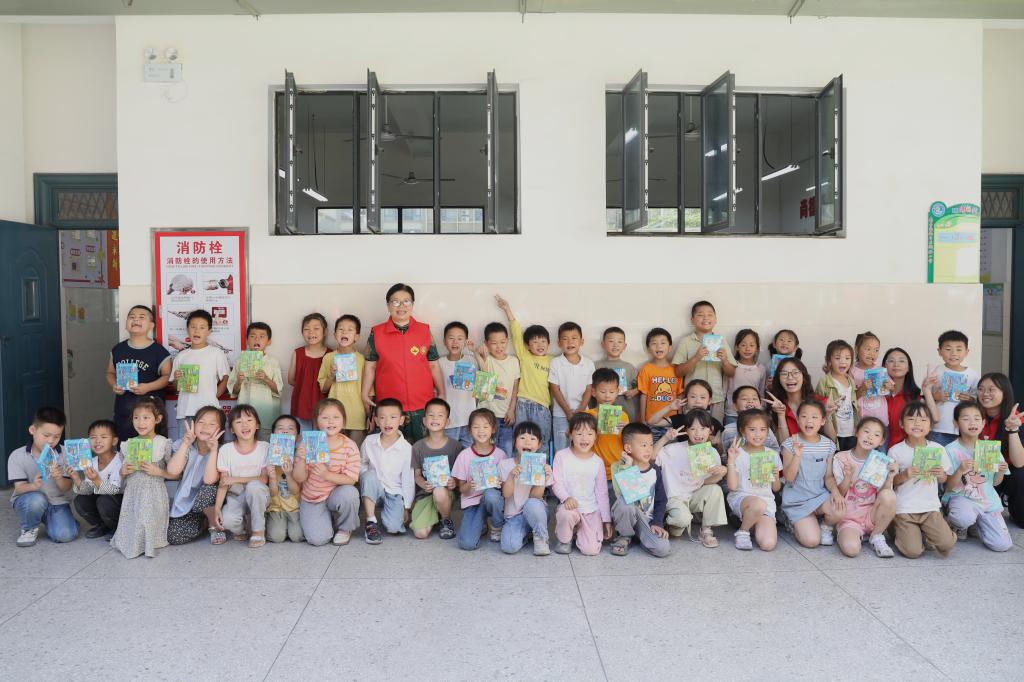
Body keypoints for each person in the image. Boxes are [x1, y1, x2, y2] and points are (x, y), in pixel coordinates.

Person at [361, 284, 446, 443]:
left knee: (422, 449)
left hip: (422, 404)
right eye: (395, 302)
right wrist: (364, 393)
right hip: (389, 407)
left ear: (412, 304)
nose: (401, 306)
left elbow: (433, 364)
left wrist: (441, 392)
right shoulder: (376, 332)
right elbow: (370, 366)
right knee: (391, 450)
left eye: (406, 301)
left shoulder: (424, 330)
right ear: (388, 305)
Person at [889, 401, 957, 559]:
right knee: (913, 552)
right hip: (904, 509)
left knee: (946, 545)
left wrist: (941, 474)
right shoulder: (895, 451)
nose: (917, 423)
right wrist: (905, 474)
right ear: (901, 424)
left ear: (931, 426)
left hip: (929, 508)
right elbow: (890, 483)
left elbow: (944, 479)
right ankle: (895, 527)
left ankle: (925, 532)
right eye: (911, 419)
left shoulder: (937, 449)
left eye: (923, 420)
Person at [942, 401, 1013, 551]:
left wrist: (1001, 470)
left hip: (987, 502)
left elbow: (995, 483)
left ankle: (977, 523)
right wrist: (960, 470)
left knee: (1002, 545)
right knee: (963, 517)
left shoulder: (990, 448)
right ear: (956, 423)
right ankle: (959, 525)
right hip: (962, 498)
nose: (972, 423)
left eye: (976, 418)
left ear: (983, 423)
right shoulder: (949, 450)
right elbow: (948, 487)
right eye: (966, 419)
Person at [292, 398, 362, 546]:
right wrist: (301, 459)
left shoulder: (349, 446)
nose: (331, 422)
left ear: (343, 420)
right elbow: (299, 478)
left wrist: (326, 475)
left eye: (336, 417)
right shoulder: (309, 443)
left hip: (335, 495)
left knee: (350, 494)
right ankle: (326, 518)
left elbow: (351, 479)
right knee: (318, 539)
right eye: (325, 417)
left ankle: (345, 528)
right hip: (312, 498)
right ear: (316, 421)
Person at [110, 397, 173, 558]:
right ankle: (134, 543)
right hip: (132, 494)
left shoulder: (163, 443)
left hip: (154, 494)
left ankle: (149, 545)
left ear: (157, 419)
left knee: (145, 519)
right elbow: (121, 475)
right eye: (136, 417)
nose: (140, 422)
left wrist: (159, 472)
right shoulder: (127, 445)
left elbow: (175, 473)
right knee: (133, 522)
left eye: (146, 417)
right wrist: (123, 472)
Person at [654, 410, 727, 547]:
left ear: (710, 430)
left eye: (703, 428)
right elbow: (650, 458)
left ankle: (706, 530)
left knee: (715, 489)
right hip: (674, 497)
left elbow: (706, 482)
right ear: (686, 430)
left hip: (693, 495)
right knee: (681, 522)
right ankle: (669, 523)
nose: (698, 433)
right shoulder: (673, 449)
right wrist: (665, 439)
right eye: (693, 429)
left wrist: (722, 472)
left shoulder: (711, 452)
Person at [7, 406, 77, 547]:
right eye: (46, 435)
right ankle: (29, 528)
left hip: (56, 502)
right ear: (32, 430)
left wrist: (59, 478)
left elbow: (67, 488)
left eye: (57, 436)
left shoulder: (65, 453)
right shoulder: (17, 455)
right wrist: (33, 485)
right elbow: (19, 488)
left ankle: (66, 521)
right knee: (36, 500)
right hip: (30, 500)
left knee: (65, 535)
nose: (51, 441)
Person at [780, 400, 844, 548]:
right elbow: (789, 478)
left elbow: (828, 477)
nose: (809, 421)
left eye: (814, 417)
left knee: (840, 508)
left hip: (819, 495)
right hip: (797, 499)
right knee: (812, 541)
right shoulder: (790, 443)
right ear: (797, 419)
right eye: (804, 416)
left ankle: (825, 526)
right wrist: (797, 455)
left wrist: (836, 493)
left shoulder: (828, 445)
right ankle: (791, 520)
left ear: (823, 421)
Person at [832, 417, 898, 558]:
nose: (870, 437)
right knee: (851, 549)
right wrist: (848, 477)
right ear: (856, 432)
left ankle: (876, 535)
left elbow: (883, 494)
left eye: (876, 435)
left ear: (881, 441)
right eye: (866, 431)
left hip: (871, 515)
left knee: (890, 495)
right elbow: (839, 494)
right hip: (849, 517)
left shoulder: (881, 461)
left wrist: (890, 476)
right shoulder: (841, 458)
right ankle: (850, 534)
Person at [495, 294, 553, 454]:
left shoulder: (553, 361)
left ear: (549, 343)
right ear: (527, 345)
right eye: (535, 341)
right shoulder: (524, 356)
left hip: (542, 407)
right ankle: (519, 468)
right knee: (520, 442)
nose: (540, 344)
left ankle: (541, 470)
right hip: (522, 405)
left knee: (541, 441)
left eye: (543, 341)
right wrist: (507, 309)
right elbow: (516, 333)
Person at [107, 304, 171, 441]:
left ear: (151, 325)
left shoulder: (159, 351)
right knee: (125, 449)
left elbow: (167, 376)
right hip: (124, 413)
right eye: (132, 317)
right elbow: (110, 373)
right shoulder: (118, 349)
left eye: (142, 317)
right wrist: (115, 385)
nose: (136, 320)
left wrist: (148, 387)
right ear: (126, 323)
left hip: (150, 416)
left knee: (153, 450)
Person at [552, 412, 612, 555]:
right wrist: (566, 498)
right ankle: (565, 539)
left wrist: (606, 520)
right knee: (566, 515)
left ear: (596, 436)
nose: (584, 438)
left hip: (591, 509)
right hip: (570, 507)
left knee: (591, 551)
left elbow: (602, 493)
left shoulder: (597, 462)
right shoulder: (561, 456)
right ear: (570, 435)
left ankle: (579, 532)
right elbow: (556, 483)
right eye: (579, 434)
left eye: (590, 434)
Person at [165, 406, 225, 544]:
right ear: (193, 424)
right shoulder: (184, 445)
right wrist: (186, 443)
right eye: (201, 422)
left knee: (208, 490)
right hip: (188, 503)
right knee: (173, 536)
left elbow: (209, 480)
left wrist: (213, 450)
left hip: (211, 501)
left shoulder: (222, 450)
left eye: (212, 424)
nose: (205, 427)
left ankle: (214, 526)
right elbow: (172, 471)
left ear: (220, 429)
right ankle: (203, 523)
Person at [609, 422, 670, 557]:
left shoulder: (655, 470)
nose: (648, 449)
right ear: (628, 448)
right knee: (624, 504)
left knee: (663, 549)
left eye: (650, 445)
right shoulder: (617, 467)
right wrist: (628, 466)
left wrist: (657, 523)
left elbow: (661, 500)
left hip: (646, 521)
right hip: (628, 516)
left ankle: (641, 537)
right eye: (643, 445)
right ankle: (624, 536)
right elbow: (626, 495)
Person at [214, 404, 270, 548]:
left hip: (259, 495)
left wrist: (235, 479)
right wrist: (217, 508)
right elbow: (223, 483)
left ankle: (258, 531)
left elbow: (264, 479)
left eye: (249, 420)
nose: (244, 425)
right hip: (236, 496)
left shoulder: (265, 447)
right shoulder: (225, 450)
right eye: (238, 422)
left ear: (257, 425)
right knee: (227, 521)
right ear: (232, 429)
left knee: (254, 487)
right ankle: (243, 527)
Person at [726, 409, 783, 551]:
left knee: (768, 544)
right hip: (742, 498)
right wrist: (731, 461)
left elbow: (776, 488)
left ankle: (752, 523)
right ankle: (743, 531)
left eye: (763, 429)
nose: (758, 434)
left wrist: (775, 476)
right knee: (758, 504)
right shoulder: (738, 454)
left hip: (766, 501)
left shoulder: (772, 454)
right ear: (743, 431)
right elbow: (732, 487)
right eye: (752, 430)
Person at [360, 398, 415, 543]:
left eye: (393, 417)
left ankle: (389, 513)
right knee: (369, 475)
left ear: (401, 420)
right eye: (382, 417)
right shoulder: (369, 441)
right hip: (374, 488)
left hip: (394, 492)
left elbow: (408, 479)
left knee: (394, 527)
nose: (387, 422)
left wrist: (406, 507)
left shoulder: (407, 449)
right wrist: (365, 477)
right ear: (376, 420)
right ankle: (371, 521)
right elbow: (362, 463)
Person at [452, 408, 508, 550]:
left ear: (493, 429)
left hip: (493, 500)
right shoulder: (464, 456)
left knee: (491, 495)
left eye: (485, 426)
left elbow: (506, 489)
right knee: (467, 544)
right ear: (469, 430)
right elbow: (462, 489)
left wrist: (499, 484)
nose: (481, 431)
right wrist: (470, 484)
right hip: (473, 503)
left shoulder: (500, 455)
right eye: (476, 427)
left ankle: (496, 525)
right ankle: (481, 524)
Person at [671, 301, 737, 422]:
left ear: (715, 319)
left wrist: (725, 361)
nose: (706, 318)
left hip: (715, 399)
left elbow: (731, 373)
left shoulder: (722, 342)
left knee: (715, 430)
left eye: (710, 315)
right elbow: (678, 372)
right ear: (692, 320)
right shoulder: (686, 342)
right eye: (700, 315)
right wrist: (696, 358)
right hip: (693, 400)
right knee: (693, 429)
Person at [975, 372, 1024, 526]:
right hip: (979, 471)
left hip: (1006, 472)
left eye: (991, 389)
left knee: (1020, 475)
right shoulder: (973, 415)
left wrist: (1012, 430)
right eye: (981, 389)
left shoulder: (1016, 418)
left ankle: (1010, 502)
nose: (985, 393)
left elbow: (1019, 462)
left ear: (1005, 393)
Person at [170, 310, 229, 435]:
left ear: (209, 331)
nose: (197, 331)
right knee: (185, 445)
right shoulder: (181, 356)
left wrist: (214, 396)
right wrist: (176, 379)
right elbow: (176, 387)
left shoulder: (216, 353)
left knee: (209, 444)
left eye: (202, 327)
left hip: (209, 412)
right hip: (185, 411)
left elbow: (225, 378)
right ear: (187, 329)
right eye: (193, 327)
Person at [498, 421, 553, 555]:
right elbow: (506, 494)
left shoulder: (543, 466)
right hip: (514, 516)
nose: (527, 442)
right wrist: (511, 476)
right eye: (522, 438)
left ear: (539, 444)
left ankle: (541, 538)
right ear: (514, 442)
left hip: (536, 512)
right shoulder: (505, 464)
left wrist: (542, 478)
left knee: (532, 504)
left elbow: (536, 496)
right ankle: (527, 535)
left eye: (533, 439)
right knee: (509, 547)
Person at [410, 399, 462, 540]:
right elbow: (417, 475)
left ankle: (446, 520)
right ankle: (436, 516)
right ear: (424, 420)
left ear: (447, 421)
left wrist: (455, 482)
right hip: (426, 495)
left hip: (445, 494)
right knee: (420, 534)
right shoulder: (418, 447)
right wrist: (424, 484)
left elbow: (460, 474)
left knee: (439, 491)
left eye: (440, 415)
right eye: (431, 415)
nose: (435, 419)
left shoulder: (455, 446)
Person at [317, 314, 367, 448]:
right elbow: (323, 389)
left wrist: (369, 415)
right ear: (334, 335)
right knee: (333, 453)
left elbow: (368, 391)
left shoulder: (362, 360)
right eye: (341, 329)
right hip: (333, 417)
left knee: (355, 452)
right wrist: (332, 375)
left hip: (357, 416)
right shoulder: (328, 358)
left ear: (357, 337)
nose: (344, 332)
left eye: (350, 329)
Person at [228, 322, 282, 441]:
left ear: (269, 342)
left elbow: (278, 390)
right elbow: (233, 391)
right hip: (245, 414)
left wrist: (266, 379)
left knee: (266, 443)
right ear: (247, 340)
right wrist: (239, 381)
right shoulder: (239, 362)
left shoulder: (273, 362)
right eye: (253, 336)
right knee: (245, 442)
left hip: (266, 413)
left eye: (262, 336)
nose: (257, 339)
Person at [70, 419, 123, 539]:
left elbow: (114, 490)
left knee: (104, 501)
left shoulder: (120, 460)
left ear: (114, 441)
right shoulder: (91, 462)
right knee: (80, 501)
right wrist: (76, 479)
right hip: (102, 499)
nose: (98, 441)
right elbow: (88, 490)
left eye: (103, 437)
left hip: (119, 501)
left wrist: (96, 480)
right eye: (93, 437)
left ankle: (118, 528)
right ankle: (103, 525)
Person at [474, 321, 521, 456]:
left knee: (506, 453)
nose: (499, 347)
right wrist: (477, 355)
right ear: (486, 343)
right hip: (486, 417)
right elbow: (482, 389)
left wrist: (511, 410)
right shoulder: (486, 359)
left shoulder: (513, 361)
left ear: (507, 341)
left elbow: (515, 388)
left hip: (505, 417)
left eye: (502, 342)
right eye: (494, 343)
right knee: (486, 454)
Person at [548, 322, 595, 453]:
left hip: (583, 414)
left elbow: (589, 389)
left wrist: (581, 410)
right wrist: (568, 412)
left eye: (574, 338)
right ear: (559, 343)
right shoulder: (555, 363)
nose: (570, 342)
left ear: (582, 341)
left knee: (583, 446)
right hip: (561, 415)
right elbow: (555, 389)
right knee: (561, 448)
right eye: (565, 339)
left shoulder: (589, 363)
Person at [927, 330, 979, 446]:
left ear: (967, 352)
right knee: (937, 456)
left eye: (959, 349)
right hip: (938, 427)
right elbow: (925, 396)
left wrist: (970, 399)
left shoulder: (972, 375)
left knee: (959, 455)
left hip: (963, 429)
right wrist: (936, 396)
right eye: (948, 349)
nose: (954, 353)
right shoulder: (935, 371)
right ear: (939, 351)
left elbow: (978, 399)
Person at [765, 357, 830, 444]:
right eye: (784, 374)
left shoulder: (820, 401)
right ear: (778, 379)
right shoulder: (775, 405)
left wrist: (827, 415)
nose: (790, 377)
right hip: (791, 452)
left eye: (795, 373)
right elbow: (784, 445)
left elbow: (832, 440)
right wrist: (780, 415)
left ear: (804, 377)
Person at [584, 368, 630, 488]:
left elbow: (629, 443)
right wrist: (594, 429)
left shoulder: (623, 416)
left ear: (618, 391)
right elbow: (576, 439)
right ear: (593, 392)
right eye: (603, 391)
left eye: (612, 391)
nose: (607, 396)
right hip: (596, 471)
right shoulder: (588, 416)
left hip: (619, 469)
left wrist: (627, 430)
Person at [637, 327, 681, 441]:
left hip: (670, 422)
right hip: (652, 422)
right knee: (651, 449)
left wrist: (680, 418)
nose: (659, 346)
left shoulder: (676, 369)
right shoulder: (646, 369)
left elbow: (680, 395)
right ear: (648, 348)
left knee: (671, 449)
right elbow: (643, 395)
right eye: (654, 343)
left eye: (663, 343)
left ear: (670, 347)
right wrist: (642, 419)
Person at [266, 415, 304, 543]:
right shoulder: (270, 456)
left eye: (290, 429)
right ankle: (278, 525)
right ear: (273, 435)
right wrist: (272, 477)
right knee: (277, 537)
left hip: (296, 507)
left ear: (298, 436)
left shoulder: (299, 456)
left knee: (297, 536)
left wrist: (288, 475)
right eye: (280, 428)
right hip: (276, 508)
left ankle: (289, 527)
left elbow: (296, 491)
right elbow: (272, 493)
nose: (285, 432)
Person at [815, 339, 859, 451]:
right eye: (838, 358)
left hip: (851, 430)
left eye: (847, 358)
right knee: (835, 456)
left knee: (848, 457)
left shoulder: (851, 380)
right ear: (829, 360)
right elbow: (816, 405)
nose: (843, 362)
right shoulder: (824, 381)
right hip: (834, 430)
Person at [437, 321, 476, 448]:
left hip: (469, 420)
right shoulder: (439, 363)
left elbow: (484, 386)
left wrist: (476, 353)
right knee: (448, 454)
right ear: (444, 341)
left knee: (468, 455)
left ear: (466, 341)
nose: (455, 342)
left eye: (460, 338)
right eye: (451, 338)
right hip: (448, 421)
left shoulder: (472, 360)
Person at [288, 312, 329, 431]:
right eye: (306, 329)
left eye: (316, 328)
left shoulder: (331, 354)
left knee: (323, 437)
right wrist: (306, 387)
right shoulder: (298, 353)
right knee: (302, 437)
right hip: (302, 403)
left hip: (324, 405)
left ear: (325, 331)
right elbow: (291, 380)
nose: (311, 332)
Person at [880, 347, 922, 449]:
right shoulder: (876, 396)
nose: (896, 364)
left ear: (908, 368)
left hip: (907, 451)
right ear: (884, 367)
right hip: (878, 451)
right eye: (891, 361)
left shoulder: (917, 397)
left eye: (901, 361)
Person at [595, 326, 640, 421]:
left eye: (619, 342)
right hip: (601, 415)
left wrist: (634, 391)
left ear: (625, 346)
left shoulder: (629, 367)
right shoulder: (595, 366)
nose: (615, 345)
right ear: (603, 344)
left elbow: (642, 386)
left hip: (626, 414)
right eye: (611, 341)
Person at [724, 329, 766, 426]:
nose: (747, 349)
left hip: (753, 414)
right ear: (736, 347)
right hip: (732, 414)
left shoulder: (760, 368)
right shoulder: (731, 366)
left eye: (752, 345)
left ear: (757, 348)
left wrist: (761, 411)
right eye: (743, 345)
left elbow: (761, 393)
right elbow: (724, 390)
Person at [721, 386, 780, 453]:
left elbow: (775, 450)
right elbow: (724, 455)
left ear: (760, 405)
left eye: (754, 398)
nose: (750, 401)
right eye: (744, 399)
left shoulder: (765, 429)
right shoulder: (728, 431)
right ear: (735, 406)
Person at [852, 332, 887, 422]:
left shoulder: (880, 370)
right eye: (868, 349)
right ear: (856, 349)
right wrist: (862, 389)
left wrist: (889, 387)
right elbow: (851, 398)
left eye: (876, 350)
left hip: (881, 419)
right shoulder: (852, 372)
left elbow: (889, 392)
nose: (872, 353)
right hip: (862, 421)